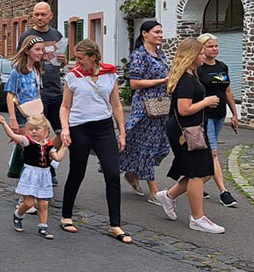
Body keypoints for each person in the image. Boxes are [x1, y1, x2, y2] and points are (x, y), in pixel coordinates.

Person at [59, 39, 132, 244]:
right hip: (79, 127)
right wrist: (65, 129)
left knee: (112, 173)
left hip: (104, 128)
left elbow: (116, 105)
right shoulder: (73, 77)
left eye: (81, 58)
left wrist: (122, 133)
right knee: (77, 171)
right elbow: (65, 106)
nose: (77, 62)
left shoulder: (110, 74)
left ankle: (115, 225)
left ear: (93, 57)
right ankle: (66, 215)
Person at [155, 39, 225, 233]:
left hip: (193, 129)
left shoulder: (190, 75)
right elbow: (183, 109)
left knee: (205, 170)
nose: (204, 56)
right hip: (186, 131)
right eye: (201, 53)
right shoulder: (185, 80)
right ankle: (197, 218)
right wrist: (206, 102)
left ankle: (168, 196)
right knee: (197, 173)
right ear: (192, 56)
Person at [120, 21, 172, 204]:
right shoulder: (139, 55)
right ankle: (154, 191)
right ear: (144, 34)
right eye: (156, 32)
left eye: (161, 32)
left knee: (159, 147)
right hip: (145, 106)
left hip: (161, 106)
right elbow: (134, 83)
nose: (160, 35)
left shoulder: (160, 54)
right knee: (146, 146)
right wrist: (161, 81)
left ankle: (132, 173)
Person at [0, 113, 66, 239]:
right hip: (30, 174)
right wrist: (4, 124)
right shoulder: (27, 141)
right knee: (29, 203)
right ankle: (18, 215)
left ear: (46, 132)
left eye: (37, 129)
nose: (33, 132)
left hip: (44, 176)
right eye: (31, 129)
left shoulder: (49, 145)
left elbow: (57, 157)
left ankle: (43, 227)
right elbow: (13, 135)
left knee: (43, 203)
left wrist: (65, 146)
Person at [197, 33, 239, 208]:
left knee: (205, 152)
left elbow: (227, 91)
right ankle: (223, 192)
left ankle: (195, 183)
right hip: (204, 115)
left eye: (216, 46)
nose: (214, 49)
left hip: (220, 115)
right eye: (210, 46)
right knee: (213, 152)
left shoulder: (222, 66)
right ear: (201, 48)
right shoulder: (198, 68)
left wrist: (234, 113)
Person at [18, 2, 66, 132]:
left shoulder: (57, 35)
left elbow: (61, 61)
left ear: (51, 16)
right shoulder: (27, 36)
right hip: (36, 93)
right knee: (39, 131)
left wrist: (63, 61)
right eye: (36, 14)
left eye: (43, 15)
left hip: (56, 90)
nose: (39, 17)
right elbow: (19, 62)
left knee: (61, 132)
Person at [5, 35, 45, 131]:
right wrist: (13, 119)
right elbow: (10, 96)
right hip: (21, 112)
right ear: (27, 51)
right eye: (37, 50)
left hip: (35, 112)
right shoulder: (17, 71)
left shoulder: (36, 70)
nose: (40, 53)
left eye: (42, 50)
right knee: (24, 139)